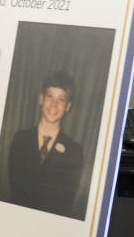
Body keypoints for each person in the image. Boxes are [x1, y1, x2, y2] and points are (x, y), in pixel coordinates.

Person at [6, 70, 84, 218]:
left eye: (61, 99)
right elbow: (16, 187)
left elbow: (65, 200)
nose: (54, 104)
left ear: (68, 106)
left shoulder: (75, 151)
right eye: (50, 96)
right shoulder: (20, 139)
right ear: (41, 99)